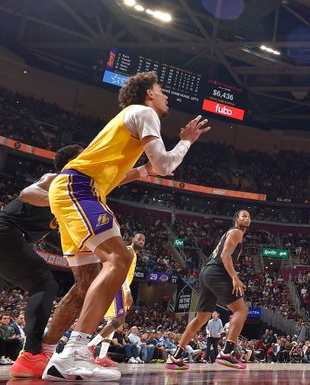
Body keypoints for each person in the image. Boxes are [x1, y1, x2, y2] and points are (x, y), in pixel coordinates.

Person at [43, 71, 210, 381]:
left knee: (85, 283)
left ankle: (47, 354)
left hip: (80, 188)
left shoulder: (129, 119)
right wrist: (185, 143)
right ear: (148, 93)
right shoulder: (146, 113)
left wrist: (144, 171)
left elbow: (119, 176)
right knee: (121, 258)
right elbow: (165, 165)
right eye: (162, 91)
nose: (166, 97)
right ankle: (73, 353)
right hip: (80, 188)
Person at [0, 145, 83, 378]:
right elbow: (27, 194)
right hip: (6, 231)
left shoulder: (71, 193)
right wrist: (60, 200)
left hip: (11, 238)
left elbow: (58, 238)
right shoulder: (55, 179)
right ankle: (31, 354)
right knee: (44, 283)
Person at [167, 210, 251, 371]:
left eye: (249, 217)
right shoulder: (236, 232)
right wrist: (234, 277)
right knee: (241, 310)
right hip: (217, 272)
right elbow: (225, 255)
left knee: (202, 318)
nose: (247, 219)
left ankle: (176, 355)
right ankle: (227, 352)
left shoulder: (231, 233)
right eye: (244, 216)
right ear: (236, 219)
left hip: (207, 272)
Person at [87, 233, 146, 368]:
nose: (141, 241)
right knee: (119, 319)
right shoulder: (129, 251)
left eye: (143, 240)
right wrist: (128, 292)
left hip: (118, 287)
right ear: (132, 239)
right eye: (139, 238)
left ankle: (101, 356)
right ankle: (91, 345)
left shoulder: (134, 254)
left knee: (112, 323)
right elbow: (122, 271)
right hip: (118, 286)